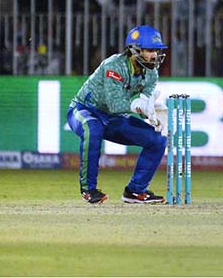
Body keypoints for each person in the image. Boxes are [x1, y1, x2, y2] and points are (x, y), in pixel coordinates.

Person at [67, 25, 169, 204]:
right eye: (150, 50)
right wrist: (139, 107)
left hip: (114, 118)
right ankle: (89, 189)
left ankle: (135, 191)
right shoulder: (113, 65)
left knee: (157, 139)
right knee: (93, 129)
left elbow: (145, 100)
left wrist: (152, 112)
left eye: (157, 50)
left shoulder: (151, 72)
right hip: (85, 109)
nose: (155, 55)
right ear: (135, 50)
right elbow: (115, 105)